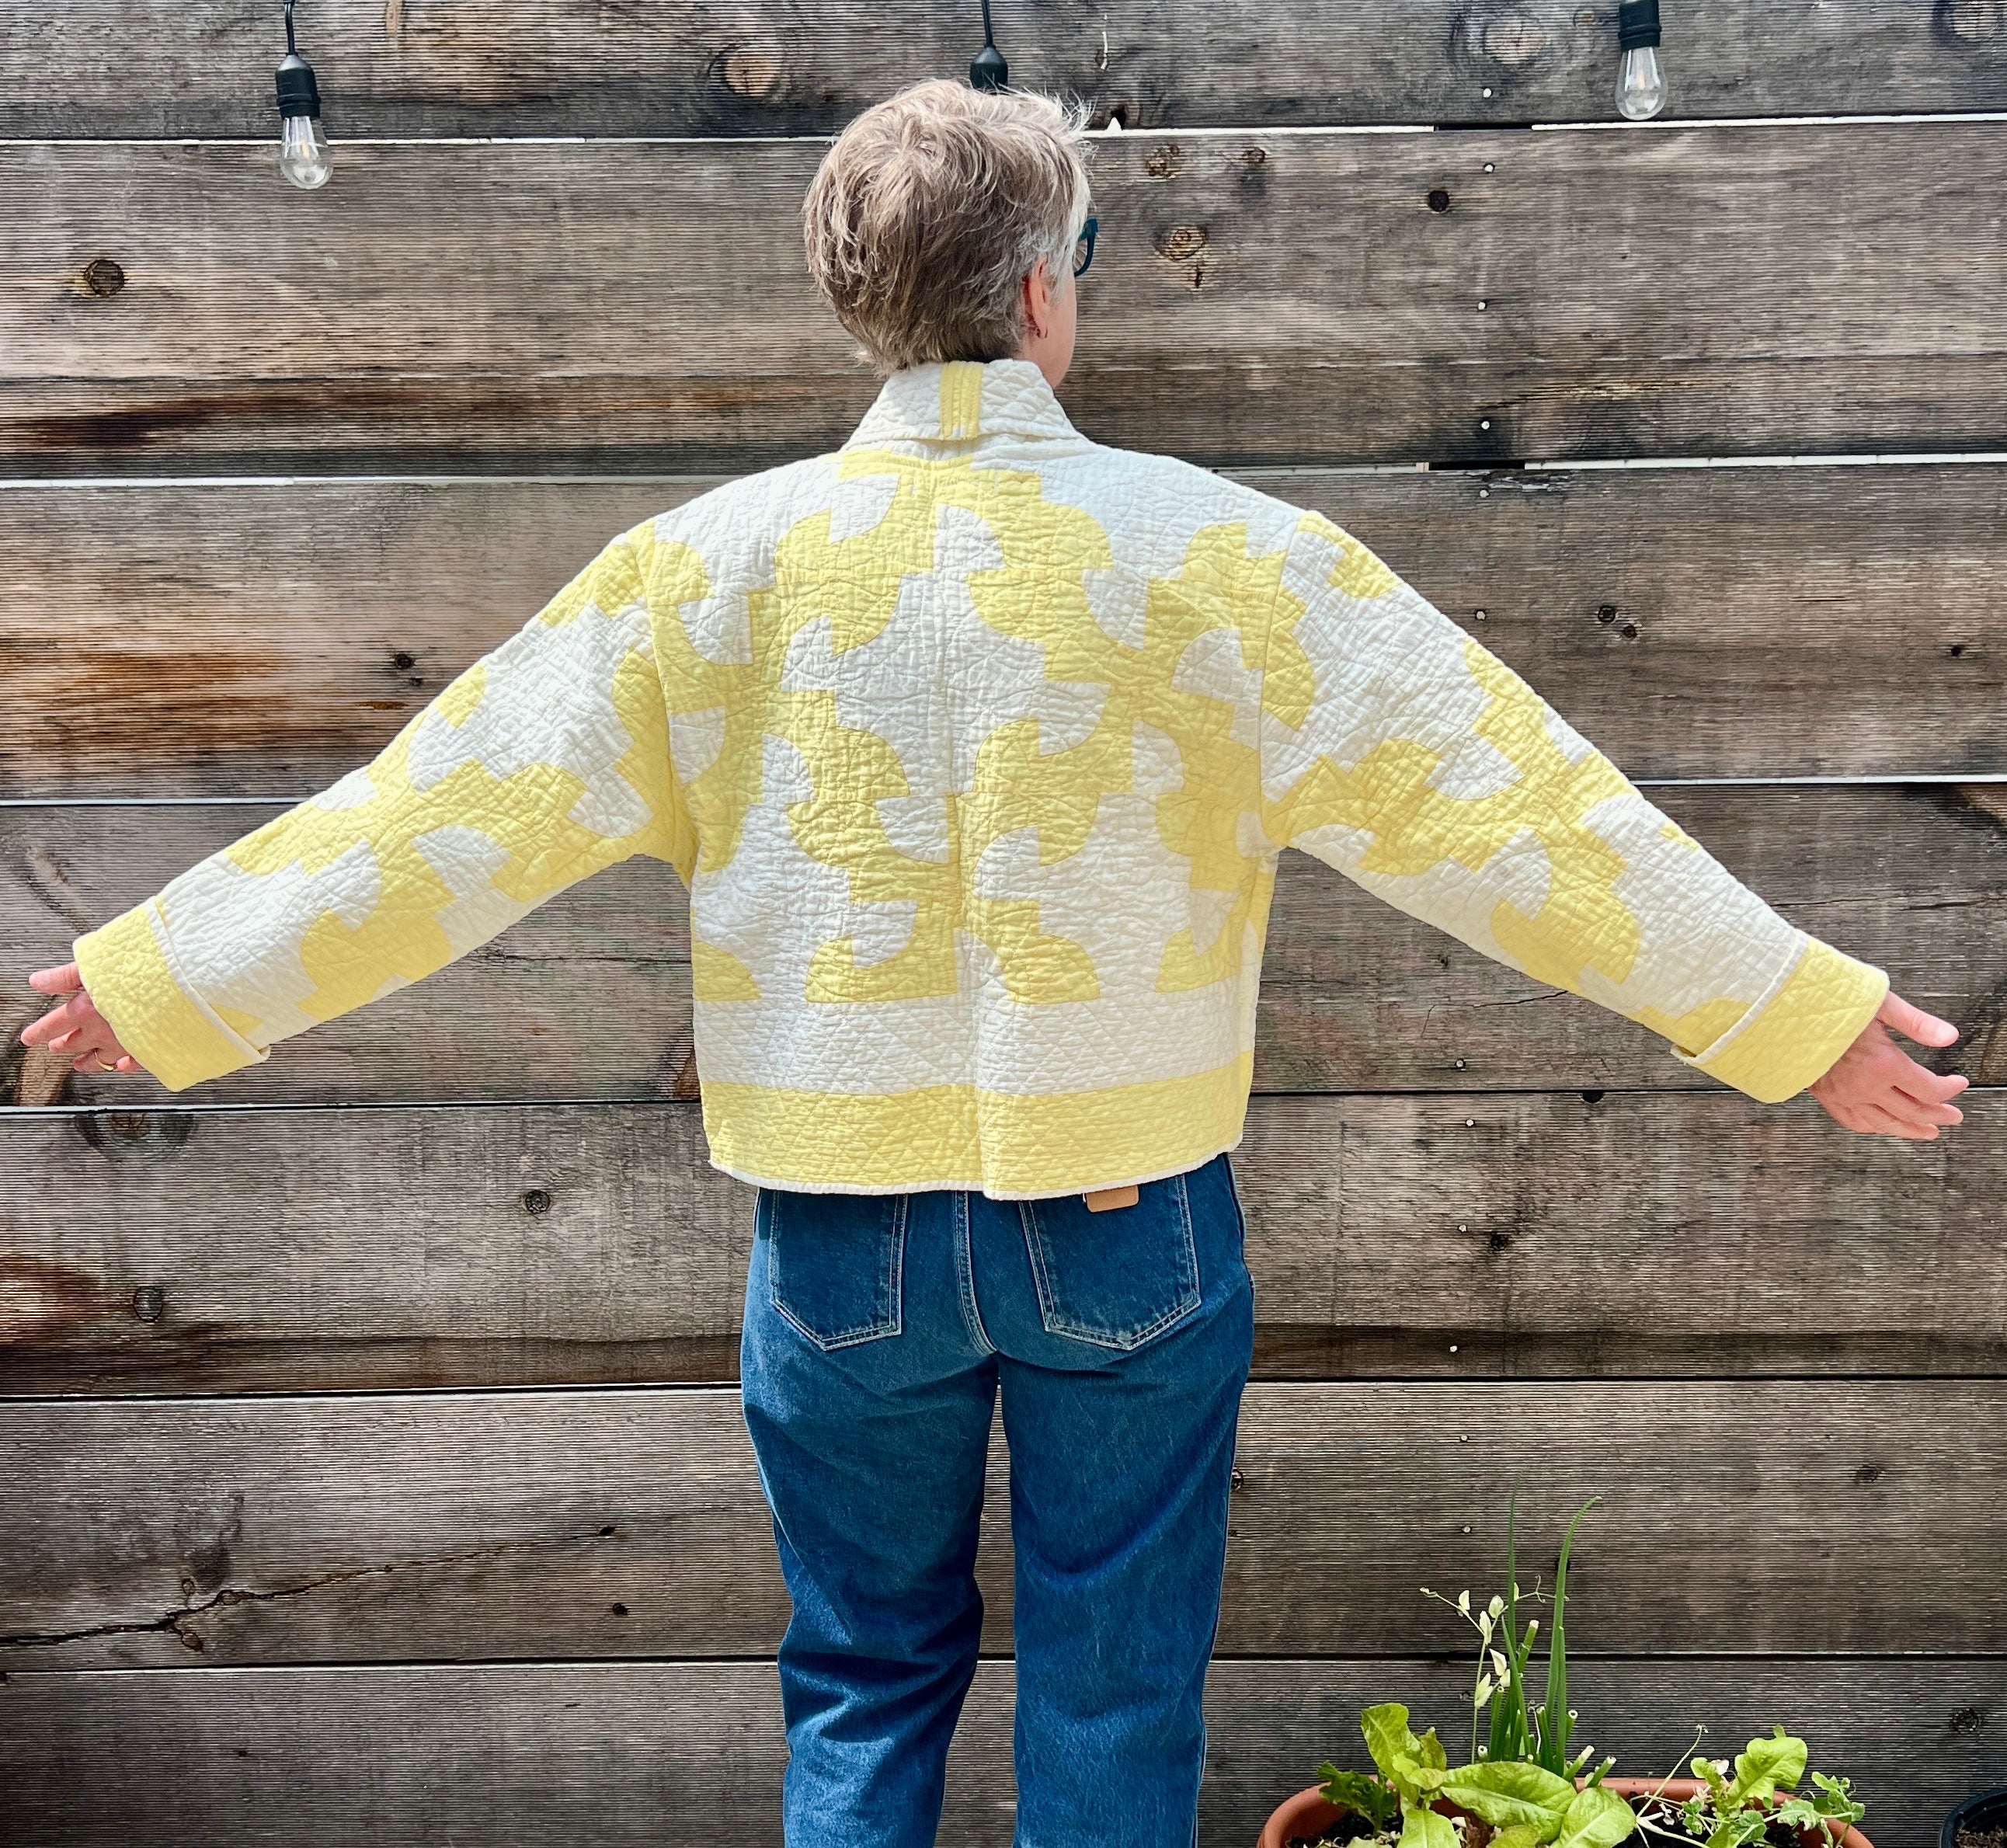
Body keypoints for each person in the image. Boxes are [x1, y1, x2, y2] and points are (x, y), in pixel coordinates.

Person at [19, 76, 1966, 1848]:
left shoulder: (698, 572)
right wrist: (1789, 1014)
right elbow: (1513, 815)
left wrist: (174, 975)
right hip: (1129, 1223)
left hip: (840, 1235)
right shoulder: (1231, 559)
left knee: (859, 1677)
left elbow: (441, 816)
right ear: (1045, 289)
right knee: (1115, 1682)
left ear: (853, 301)